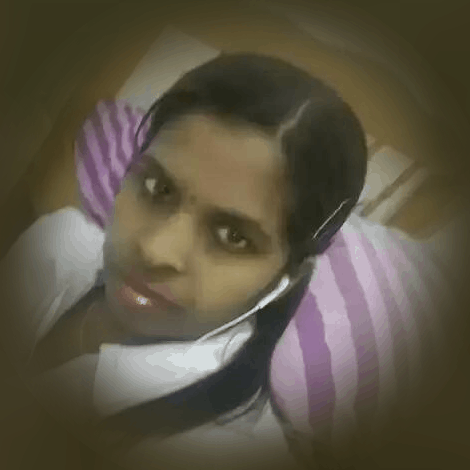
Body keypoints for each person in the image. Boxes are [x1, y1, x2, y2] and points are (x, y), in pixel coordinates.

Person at [1, 52, 382, 470]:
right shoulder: (56, 246)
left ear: (285, 279)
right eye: (156, 187)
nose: (155, 251)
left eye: (233, 237)